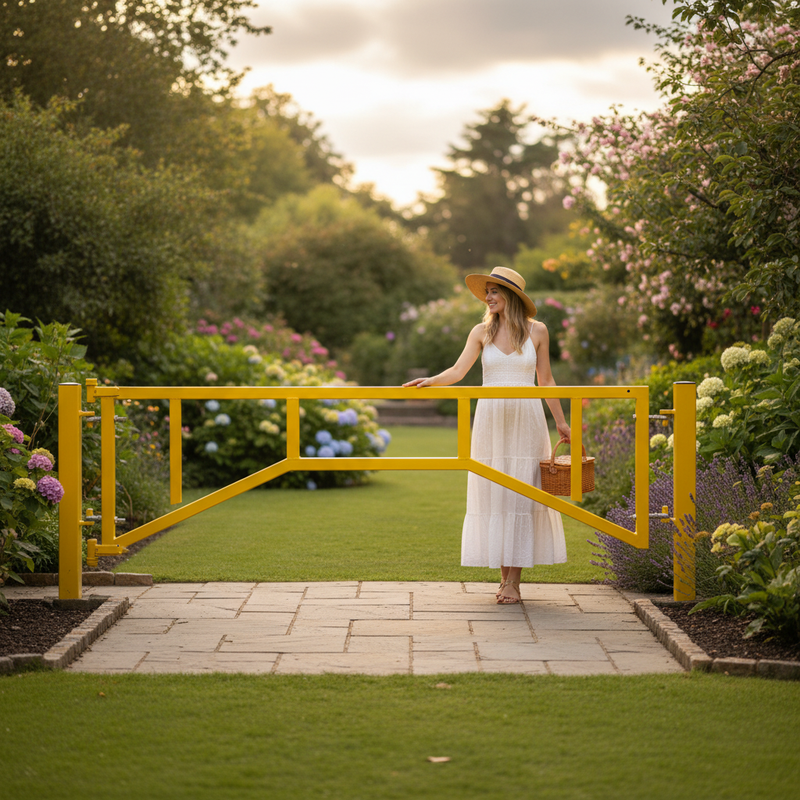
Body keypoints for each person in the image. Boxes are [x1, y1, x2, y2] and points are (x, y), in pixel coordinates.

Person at [403, 267, 571, 604]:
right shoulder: (481, 331)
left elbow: (547, 380)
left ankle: (514, 582)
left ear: (511, 296)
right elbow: (458, 371)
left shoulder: (537, 331)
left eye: (495, 291)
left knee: (522, 493)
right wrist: (430, 381)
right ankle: (502, 578)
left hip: (526, 419)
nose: (488, 297)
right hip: (490, 419)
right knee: (495, 491)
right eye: (487, 291)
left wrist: (561, 423)